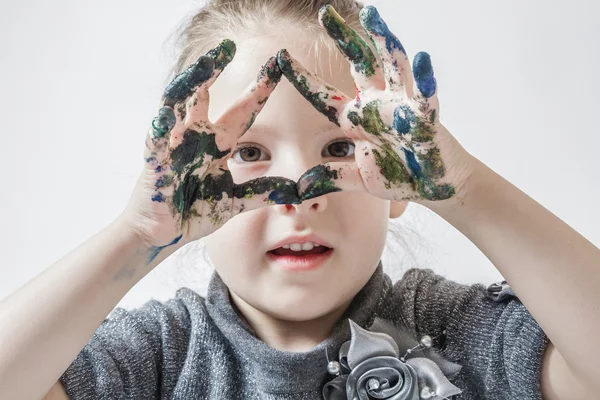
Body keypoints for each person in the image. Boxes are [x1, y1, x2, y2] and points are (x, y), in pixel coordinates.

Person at [0, 1, 598, 399]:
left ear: (399, 186)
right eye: (250, 154)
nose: (296, 194)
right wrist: (137, 235)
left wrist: (466, 190)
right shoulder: (159, 354)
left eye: (339, 146)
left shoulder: (451, 330)